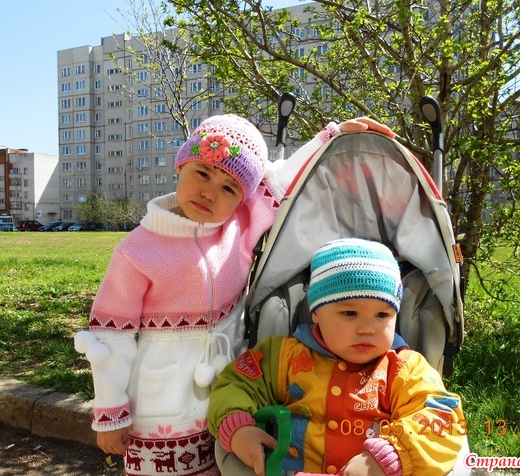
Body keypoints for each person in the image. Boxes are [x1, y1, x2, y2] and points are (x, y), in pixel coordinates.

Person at [74, 114, 395, 476]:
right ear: (180, 166)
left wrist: (331, 135)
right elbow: (110, 338)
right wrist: (111, 411)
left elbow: (282, 181)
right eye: (202, 173)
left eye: (229, 189)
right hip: (159, 405)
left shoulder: (240, 228)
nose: (210, 193)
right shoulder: (137, 252)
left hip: (226, 394)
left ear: (243, 198)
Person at [208, 238, 466, 476]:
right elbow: (236, 385)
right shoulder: (283, 356)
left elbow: (442, 417)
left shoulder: (403, 368)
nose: (368, 328)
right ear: (316, 313)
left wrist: (391, 456)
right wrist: (239, 428)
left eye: (382, 315)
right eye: (350, 313)